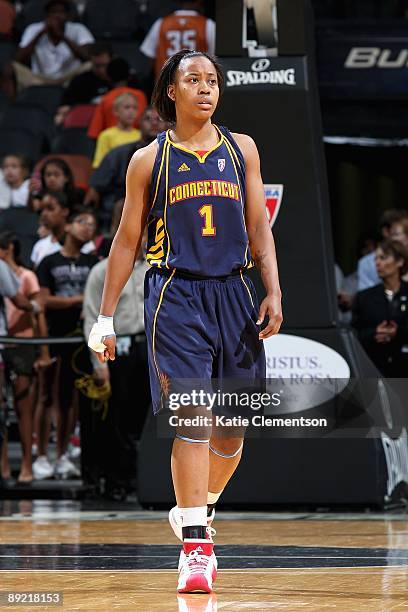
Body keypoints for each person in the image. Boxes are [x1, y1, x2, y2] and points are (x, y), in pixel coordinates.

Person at [88, 50, 282, 593]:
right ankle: (196, 548)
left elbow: (258, 227)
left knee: (233, 431)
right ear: (171, 92)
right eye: (192, 79)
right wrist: (104, 317)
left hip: (234, 294)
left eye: (212, 80)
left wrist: (273, 288)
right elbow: (126, 241)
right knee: (192, 416)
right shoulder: (149, 160)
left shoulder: (241, 149)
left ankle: (199, 507)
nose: (205, 88)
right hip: (175, 294)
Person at [83, 202, 149, 498]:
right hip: (117, 350)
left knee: (149, 416)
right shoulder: (101, 272)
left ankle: (150, 478)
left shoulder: (157, 269)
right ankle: (120, 481)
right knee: (118, 419)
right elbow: (90, 318)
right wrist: (99, 366)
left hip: (151, 347)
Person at [38, 207, 98, 478]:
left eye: (92, 225)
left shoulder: (92, 262)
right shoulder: (49, 262)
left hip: (83, 338)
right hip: (56, 336)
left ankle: (65, 453)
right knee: (53, 396)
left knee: (77, 398)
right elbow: (44, 300)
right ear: (69, 226)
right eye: (82, 221)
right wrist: (78, 300)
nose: (87, 228)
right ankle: (43, 454)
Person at [0, 232, 51, 483]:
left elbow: (35, 312)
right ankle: (4, 466)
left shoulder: (27, 276)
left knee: (23, 406)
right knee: (2, 408)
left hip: (22, 342)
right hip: (4, 341)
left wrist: (43, 351)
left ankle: (27, 465)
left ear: (10, 248)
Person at [85, 107, 168, 227]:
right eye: (148, 119)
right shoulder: (118, 153)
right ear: (139, 124)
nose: (154, 122)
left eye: (159, 119)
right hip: (122, 205)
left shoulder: (176, 154)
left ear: (167, 124)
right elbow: (94, 190)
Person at [2, 0, 94, 99]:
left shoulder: (78, 29)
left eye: (61, 12)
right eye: (53, 12)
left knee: (91, 65)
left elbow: (87, 56)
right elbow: (18, 58)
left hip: (70, 78)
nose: (57, 16)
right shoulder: (34, 29)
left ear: (68, 16)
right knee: (10, 67)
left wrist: (63, 37)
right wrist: (40, 34)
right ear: (46, 15)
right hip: (39, 78)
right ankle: (12, 107)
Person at [352, 239, 408, 377]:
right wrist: (374, 333)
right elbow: (353, 334)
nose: (377, 263)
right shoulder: (364, 297)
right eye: (376, 258)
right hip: (374, 371)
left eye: (383, 258)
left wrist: (398, 333)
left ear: (399, 261)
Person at [140, 0, 215, 78]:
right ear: (199, 2)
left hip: (166, 82)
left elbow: (149, 58)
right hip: (194, 83)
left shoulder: (161, 23)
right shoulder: (208, 24)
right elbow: (214, 59)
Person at [87, 58, 148, 139]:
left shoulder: (106, 99)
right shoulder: (141, 96)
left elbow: (94, 133)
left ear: (108, 77)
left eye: (134, 108)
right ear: (129, 76)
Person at [55, 42, 113, 126]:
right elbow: (65, 105)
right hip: (85, 123)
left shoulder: (122, 79)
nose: (101, 70)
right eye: (97, 66)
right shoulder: (80, 81)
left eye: (104, 65)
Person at [31, 191, 94, 268]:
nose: (44, 214)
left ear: (65, 211)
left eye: (50, 209)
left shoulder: (83, 242)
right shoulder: (39, 246)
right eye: (42, 210)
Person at [357, 209, 408, 291]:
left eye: (397, 234)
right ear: (386, 233)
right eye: (394, 234)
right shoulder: (368, 263)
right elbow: (366, 298)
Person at [92, 92, 141, 169]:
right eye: (127, 107)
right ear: (116, 111)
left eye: (134, 108)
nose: (131, 112)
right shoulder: (106, 135)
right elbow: (99, 165)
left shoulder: (140, 135)